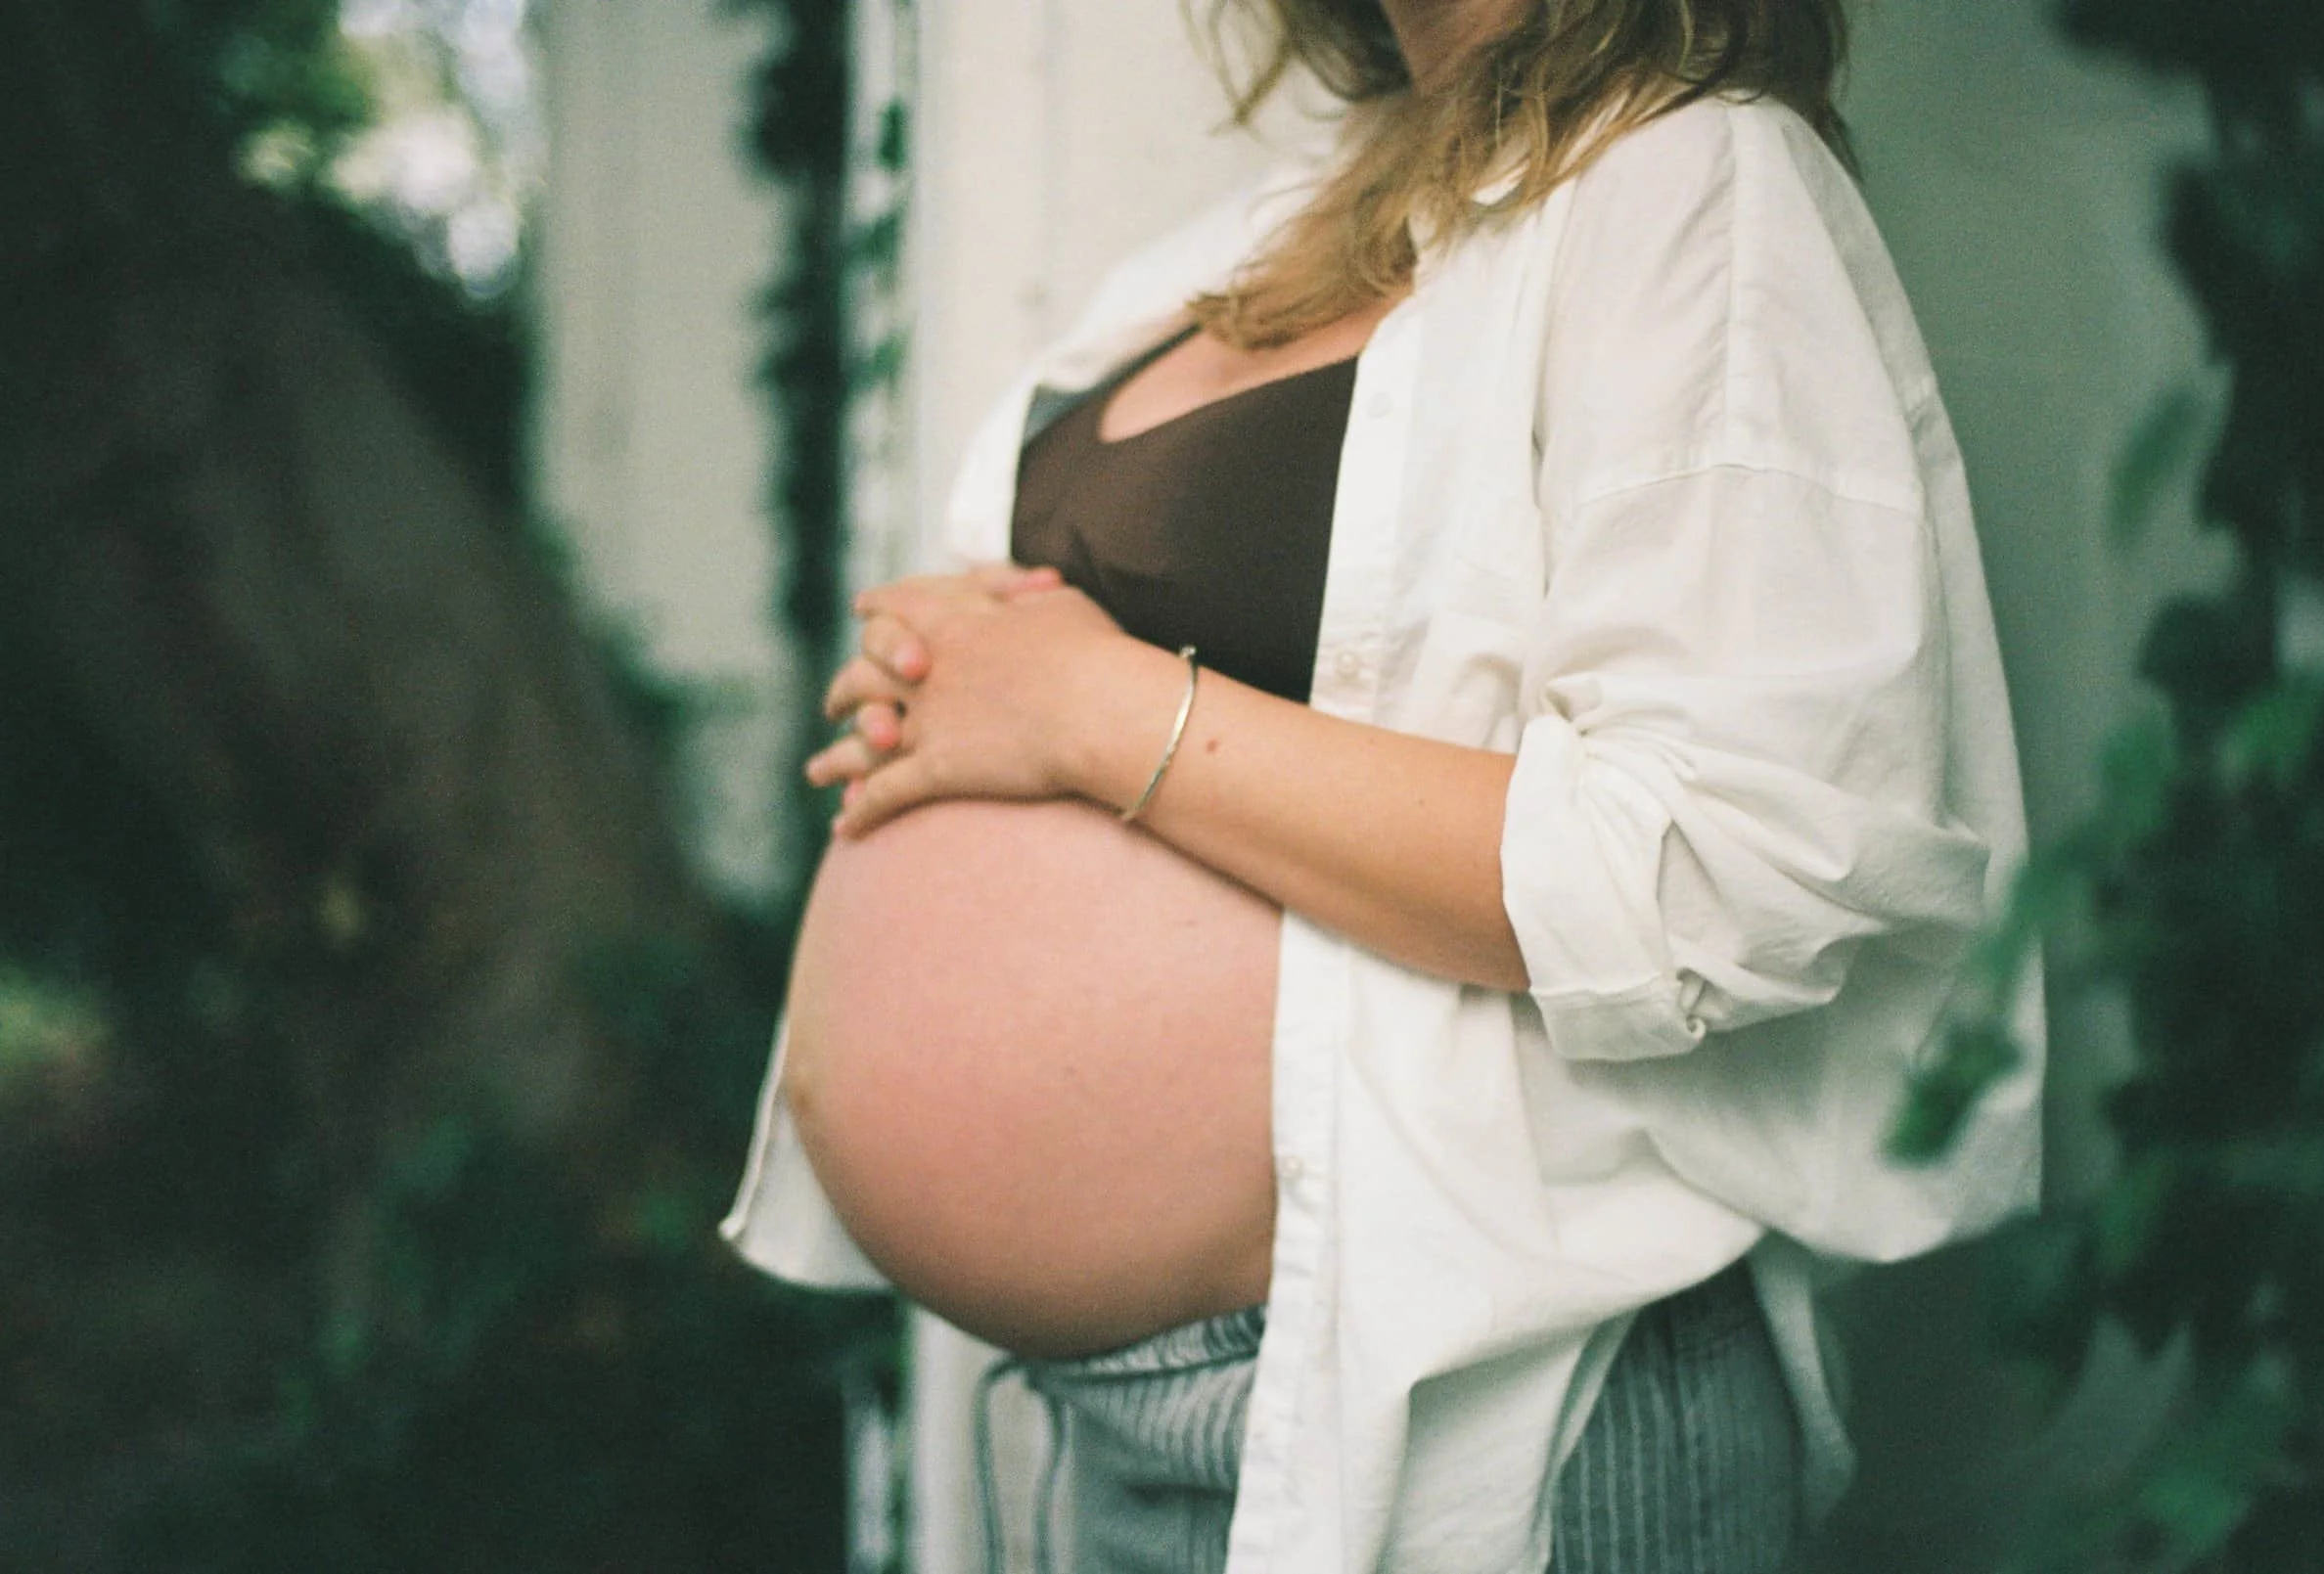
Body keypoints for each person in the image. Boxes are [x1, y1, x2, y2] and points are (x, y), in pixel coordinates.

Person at [723, 0, 2046, 1570]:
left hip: (1481, 1419)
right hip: (1141, 1420)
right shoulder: (1293, 214)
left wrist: (1091, 713)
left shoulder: (1696, 183)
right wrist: (960, 679)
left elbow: (1723, 864)